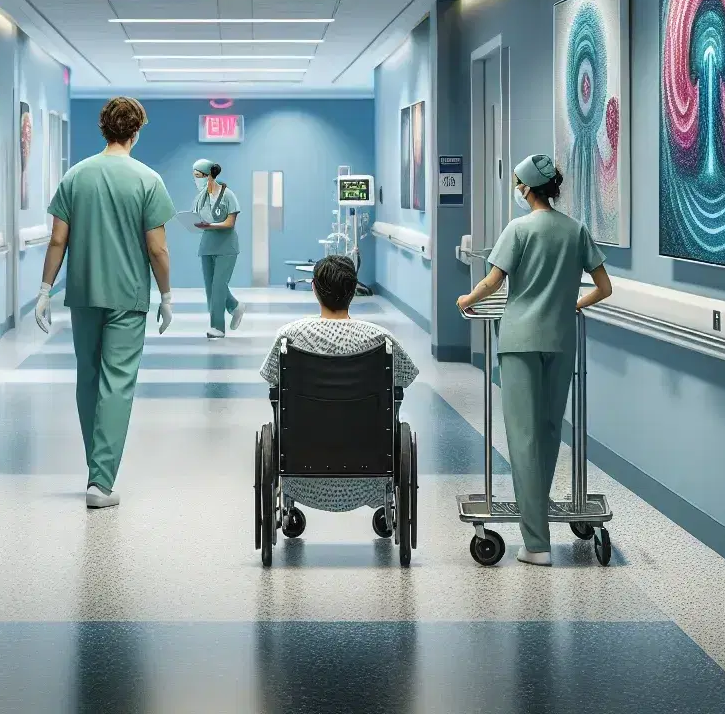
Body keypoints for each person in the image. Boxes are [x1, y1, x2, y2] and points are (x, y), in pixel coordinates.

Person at [455, 154, 612, 566]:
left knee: (522, 438)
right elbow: (604, 287)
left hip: (520, 341)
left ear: (526, 189)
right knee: (547, 432)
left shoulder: (518, 230)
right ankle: (536, 520)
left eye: (517, 185)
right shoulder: (576, 230)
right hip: (560, 341)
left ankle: (537, 544)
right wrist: (573, 304)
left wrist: (466, 300)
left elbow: (492, 281)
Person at [35, 97, 175, 509]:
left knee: (88, 379)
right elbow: (158, 249)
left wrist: (45, 289)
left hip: (83, 293)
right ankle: (101, 481)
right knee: (118, 383)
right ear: (136, 131)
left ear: (103, 129)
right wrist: (166, 295)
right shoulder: (148, 180)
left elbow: (58, 239)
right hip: (128, 297)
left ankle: (95, 467)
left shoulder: (76, 176)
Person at [259, 255, 420, 519]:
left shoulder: (289, 337)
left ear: (313, 288)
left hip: (301, 470)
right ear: (354, 289)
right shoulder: (380, 339)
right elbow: (404, 378)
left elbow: (272, 379)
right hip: (371, 471)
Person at [191, 158, 247, 338]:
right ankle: (235, 306)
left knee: (218, 286)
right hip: (207, 246)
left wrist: (210, 226)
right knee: (211, 287)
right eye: (194, 176)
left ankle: (217, 327)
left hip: (226, 246)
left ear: (210, 176)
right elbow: (196, 218)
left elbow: (230, 223)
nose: (196, 179)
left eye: (199, 176)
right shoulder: (201, 198)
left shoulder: (228, 195)